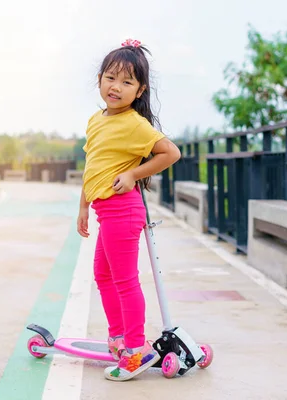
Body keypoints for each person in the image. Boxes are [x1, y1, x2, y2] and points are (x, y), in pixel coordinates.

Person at [77, 38, 181, 382]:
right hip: (105, 210)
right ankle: (119, 338)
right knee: (104, 276)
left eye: (126, 82)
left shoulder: (135, 123)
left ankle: (137, 349)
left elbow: (171, 153)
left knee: (123, 280)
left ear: (140, 90)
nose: (116, 87)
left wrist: (134, 173)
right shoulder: (96, 120)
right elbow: (93, 164)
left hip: (123, 208)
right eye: (110, 78)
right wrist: (83, 207)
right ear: (100, 80)